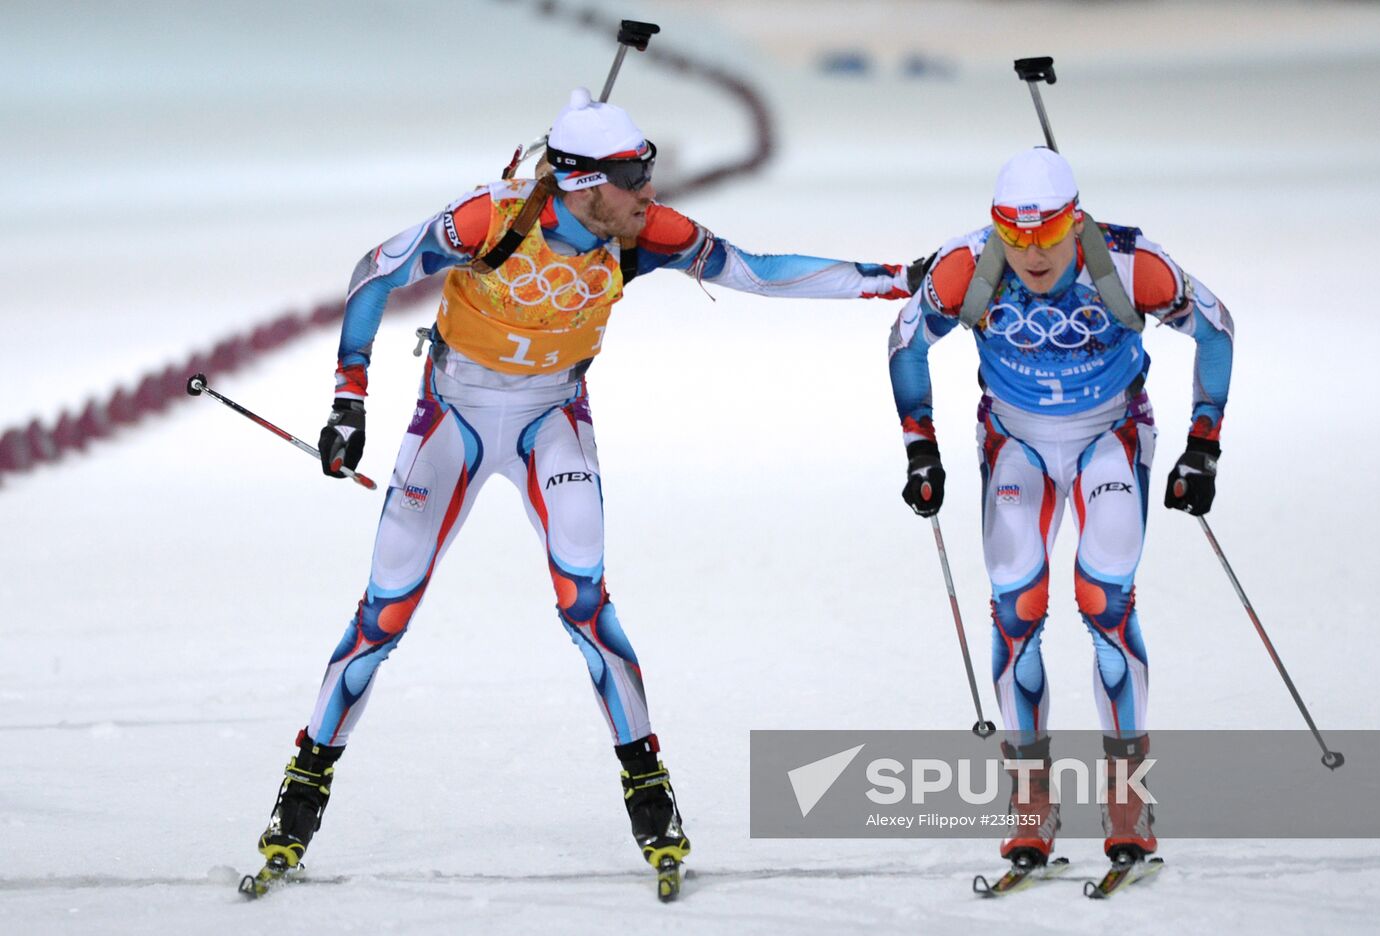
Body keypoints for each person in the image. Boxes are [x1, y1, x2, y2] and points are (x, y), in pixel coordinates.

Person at [245, 87, 917, 898]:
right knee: (385, 609)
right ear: (584, 184)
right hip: (450, 415)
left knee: (587, 602)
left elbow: (763, 274)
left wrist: (901, 280)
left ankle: (648, 789)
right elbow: (374, 273)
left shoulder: (644, 235)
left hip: (551, 416)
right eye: (634, 179)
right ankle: (305, 786)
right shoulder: (486, 222)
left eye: (649, 174)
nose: (651, 196)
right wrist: (348, 400)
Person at [888, 147, 1234, 869]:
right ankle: (1031, 797)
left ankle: (1128, 792)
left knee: (1105, 597)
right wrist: (921, 449)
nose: (1033, 255)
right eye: (1015, 238)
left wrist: (1204, 445)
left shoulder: (1133, 267)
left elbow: (1217, 327)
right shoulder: (967, 266)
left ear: (1075, 222)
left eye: (1048, 237)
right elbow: (904, 343)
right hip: (1015, 437)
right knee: (1016, 606)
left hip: (1110, 431)